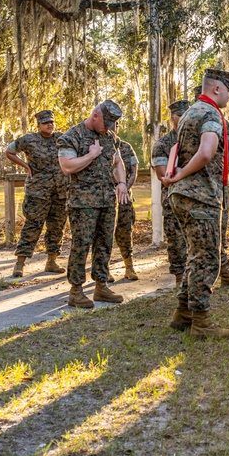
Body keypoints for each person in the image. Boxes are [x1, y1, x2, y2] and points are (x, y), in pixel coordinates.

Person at [162, 69, 229, 337]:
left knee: (195, 256)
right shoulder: (209, 114)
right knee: (207, 258)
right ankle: (201, 323)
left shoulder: (191, 111)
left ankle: (183, 313)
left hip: (184, 195)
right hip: (199, 194)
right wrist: (182, 173)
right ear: (217, 88)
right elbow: (206, 152)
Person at [57, 100, 130, 308]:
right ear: (95, 115)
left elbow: (118, 162)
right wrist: (91, 155)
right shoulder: (72, 136)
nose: (108, 127)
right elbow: (67, 166)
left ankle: (101, 286)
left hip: (107, 200)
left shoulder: (110, 137)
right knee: (81, 245)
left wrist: (122, 183)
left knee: (105, 243)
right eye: (106, 122)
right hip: (83, 202)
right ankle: (76, 291)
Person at [190, 84, 229, 289]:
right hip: (194, 187)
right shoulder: (190, 120)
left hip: (218, 185)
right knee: (197, 236)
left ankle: (223, 270)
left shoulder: (224, 123)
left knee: (219, 229)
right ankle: (192, 279)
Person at [5, 110, 68, 277]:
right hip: (38, 192)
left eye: (51, 122)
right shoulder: (29, 140)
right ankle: (20, 264)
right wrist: (25, 166)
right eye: (45, 122)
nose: (49, 125)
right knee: (32, 226)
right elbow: (9, 151)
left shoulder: (62, 138)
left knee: (56, 228)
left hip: (60, 192)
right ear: (38, 125)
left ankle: (52, 262)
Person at [152, 100, 189, 301]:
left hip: (194, 201)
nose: (182, 120)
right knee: (176, 242)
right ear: (172, 118)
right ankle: (179, 277)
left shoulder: (198, 142)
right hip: (173, 201)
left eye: (186, 115)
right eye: (179, 116)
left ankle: (194, 278)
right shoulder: (163, 145)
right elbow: (162, 176)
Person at [114, 136, 140, 280]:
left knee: (125, 231)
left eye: (116, 124)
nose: (114, 126)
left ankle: (129, 267)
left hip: (124, 197)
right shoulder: (96, 146)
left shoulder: (126, 147)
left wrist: (125, 188)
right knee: (102, 235)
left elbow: (134, 171)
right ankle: (103, 269)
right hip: (103, 196)